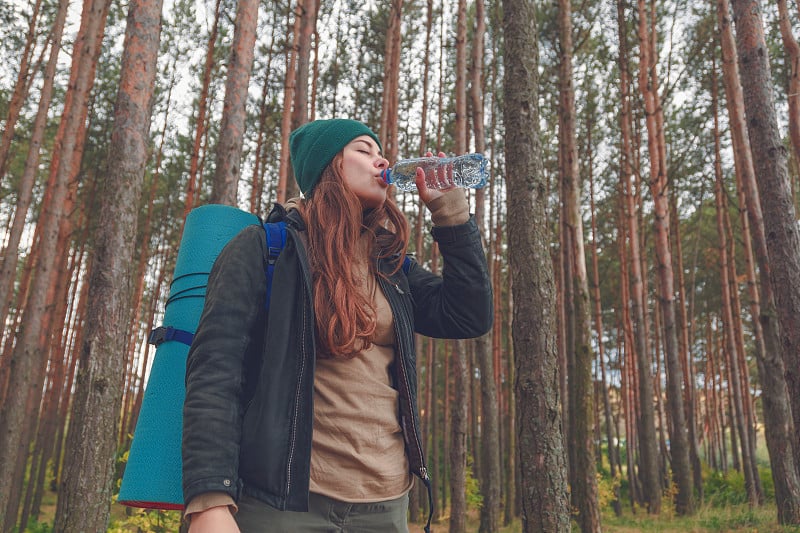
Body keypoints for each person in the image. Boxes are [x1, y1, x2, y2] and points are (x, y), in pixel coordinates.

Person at [182, 118, 493, 532]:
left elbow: (467, 314)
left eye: (379, 150)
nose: (381, 158)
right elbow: (215, 374)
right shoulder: (265, 249)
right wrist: (210, 500)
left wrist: (451, 215)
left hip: (385, 505)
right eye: (364, 149)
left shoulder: (389, 267)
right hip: (282, 504)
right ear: (327, 167)